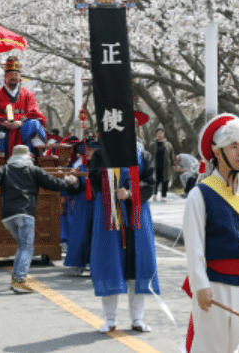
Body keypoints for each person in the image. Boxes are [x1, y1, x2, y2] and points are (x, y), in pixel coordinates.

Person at [183, 114, 239, 353]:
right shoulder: (199, 194)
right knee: (210, 348)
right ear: (217, 152)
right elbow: (194, 246)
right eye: (233, 146)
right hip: (213, 285)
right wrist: (200, 285)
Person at [0, 144, 78, 293]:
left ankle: (16, 279)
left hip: (8, 216)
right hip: (25, 213)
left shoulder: (4, 169)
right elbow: (54, 184)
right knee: (26, 247)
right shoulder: (34, 170)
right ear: (28, 156)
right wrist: (68, 180)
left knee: (23, 247)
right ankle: (19, 280)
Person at [88, 139, 159, 333]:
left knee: (138, 267)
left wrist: (130, 193)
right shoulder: (101, 154)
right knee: (111, 265)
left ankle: (137, 318)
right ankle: (110, 319)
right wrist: (113, 179)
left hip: (137, 215)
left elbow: (150, 182)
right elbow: (94, 179)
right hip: (109, 216)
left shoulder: (144, 155)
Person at [0, 56, 48, 156]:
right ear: (5, 76)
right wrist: (3, 122)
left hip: (24, 124)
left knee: (34, 123)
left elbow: (34, 112)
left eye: (16, 74)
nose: (13, 77)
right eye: (10, 74)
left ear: (20, 77)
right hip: (3, 125)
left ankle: (36, 155)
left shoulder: (28, 94)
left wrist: (20, 122)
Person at [64, 140, 94, 276]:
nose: (89, 153)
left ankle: (95, 264)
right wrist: (73, 182)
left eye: (92, 150)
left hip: (98, 203)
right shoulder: (79, 168)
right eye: (88, 150)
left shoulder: (104, 167)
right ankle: (78, 263)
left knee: (96, 234)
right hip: (82, 203)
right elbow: (74, 189)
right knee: (80, 233)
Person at [146, 128, 175, 202]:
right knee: (155, 180)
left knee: (165, 181)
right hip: (155, 166)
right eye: (158, 133)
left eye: (161, 133)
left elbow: (171, 155)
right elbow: (149, 156)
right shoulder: (152, 145)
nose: (160, 135)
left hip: (166, 166)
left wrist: (173, 164)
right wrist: (148, 165)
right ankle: (154, 194)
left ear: (163, 134)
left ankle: (163, 196)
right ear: (156, 135)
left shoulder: (168, 144)